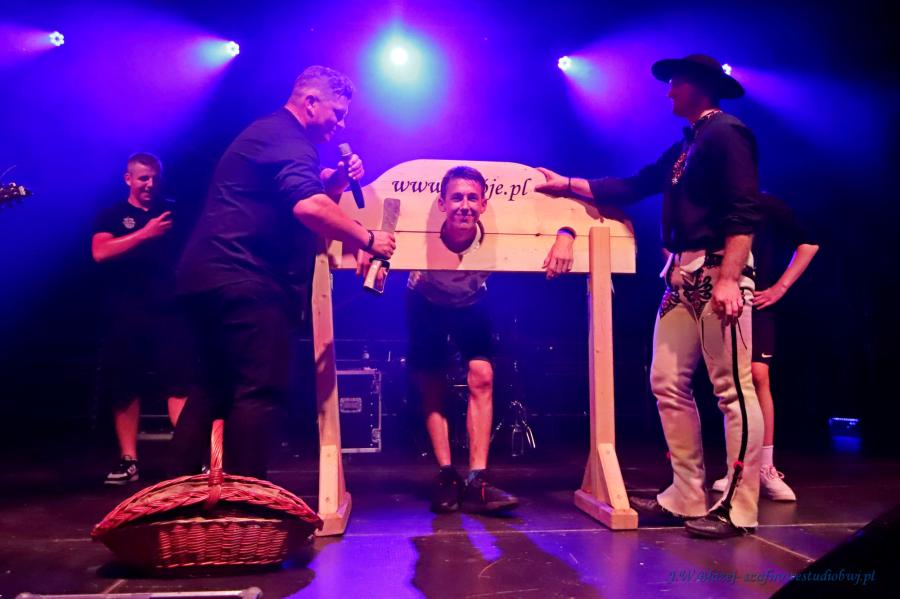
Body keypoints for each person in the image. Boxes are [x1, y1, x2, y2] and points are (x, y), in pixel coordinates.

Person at [535, 54, 763, 538]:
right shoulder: (689, 143)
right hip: (680, 275)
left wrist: (729, 277)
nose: (669, 91)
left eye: (675, 83)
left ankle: (739, 507)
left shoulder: (728, 133)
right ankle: (686, 493)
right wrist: (567, 184)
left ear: (697, 86)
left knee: (732, 390)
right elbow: (635, 184)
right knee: (666, 381)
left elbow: (745, 210)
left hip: (719, 268)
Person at [173, 65, 395, 479]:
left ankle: (175, 496)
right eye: (338, 113)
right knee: (259, 391)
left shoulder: (271, 134)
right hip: (243, 279)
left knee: (212, 388)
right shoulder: (289, 139)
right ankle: (248, 501)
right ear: (310, 102)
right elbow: (308, 206)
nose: (341, 124)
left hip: (207, 276)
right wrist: (368, 238)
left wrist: (335, 182)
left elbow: (295, 193)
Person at [361, 165, 575, 513]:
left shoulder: (496, 234)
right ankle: (446, 474)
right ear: (441, 204)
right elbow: (373, 223)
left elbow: (565, 217)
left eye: (473, 198)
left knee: (483, 376)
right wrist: (366, 241)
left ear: (484, 205)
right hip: (424, 299)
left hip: (472, 301)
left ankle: (477, 479)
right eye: (456, 198)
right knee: (433, 384)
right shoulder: (427, 230)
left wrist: (566, 232)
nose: (464, 205)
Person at [711, 191, 819, 501]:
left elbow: (808, 243)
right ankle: (737, 467)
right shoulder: (706, 200)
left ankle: (765, 467)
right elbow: (673, 243)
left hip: (755, 300)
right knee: (730, 380)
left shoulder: (764, 203)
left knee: (758, 375)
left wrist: (780, 287)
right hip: (717, 297)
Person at [91, 152, 190, 484]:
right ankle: (128, 460)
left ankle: (188, 458)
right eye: (143, 178)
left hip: (170, 310)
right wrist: (144, 233)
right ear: (128, 179)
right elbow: (100, 251)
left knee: (179, 382)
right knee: (125, 385)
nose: (150, 184)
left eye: (154, 178)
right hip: (126, 312)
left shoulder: (173, 213)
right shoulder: (112, 214)